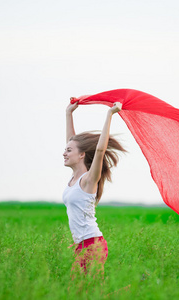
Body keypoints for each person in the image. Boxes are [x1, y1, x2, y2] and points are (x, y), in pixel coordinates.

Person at [63, 99, 126, 276]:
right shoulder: (74, 178)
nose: (64, 153)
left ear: (81, 155)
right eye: (65, 149)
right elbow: (72, 141)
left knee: (81, 291)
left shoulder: (89, 180)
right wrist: (68, 113)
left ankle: (140, 286)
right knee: (89, 291)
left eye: (68, 151)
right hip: (82, 244)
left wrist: (110, 114)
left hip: (93, 244)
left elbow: (99, 151)